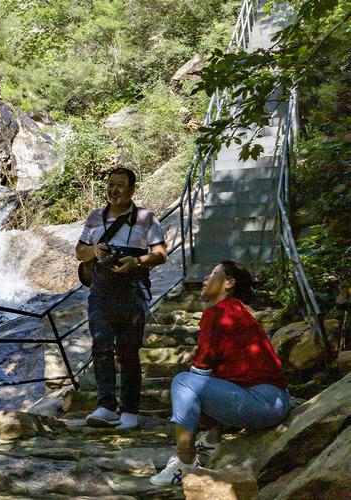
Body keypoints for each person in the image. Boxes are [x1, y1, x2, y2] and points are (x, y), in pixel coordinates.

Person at [150, 261, 293, 487]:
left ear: (229, 283)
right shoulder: (238, 310)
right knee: (202, 381)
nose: (205, 278)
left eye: (213, 273)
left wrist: (190, 390)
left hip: (263, 402)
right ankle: (212, 440)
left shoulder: (217, 312)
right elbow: (220, 374)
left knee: (184, 382)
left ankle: (185, 461)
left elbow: (202, 366)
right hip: (277, 400)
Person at [76, 167, 167, 430]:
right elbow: (79, 251)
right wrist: (94, 250)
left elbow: (161, 253)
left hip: (133, 289)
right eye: (110, 185)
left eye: (120, 185)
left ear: (132, 190)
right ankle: (105, 406)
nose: (113, 190)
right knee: (101, 348)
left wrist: (137, 260)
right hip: (101, 292)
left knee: (128, 352)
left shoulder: (146, 218)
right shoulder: (95, 217)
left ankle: (129, 410)